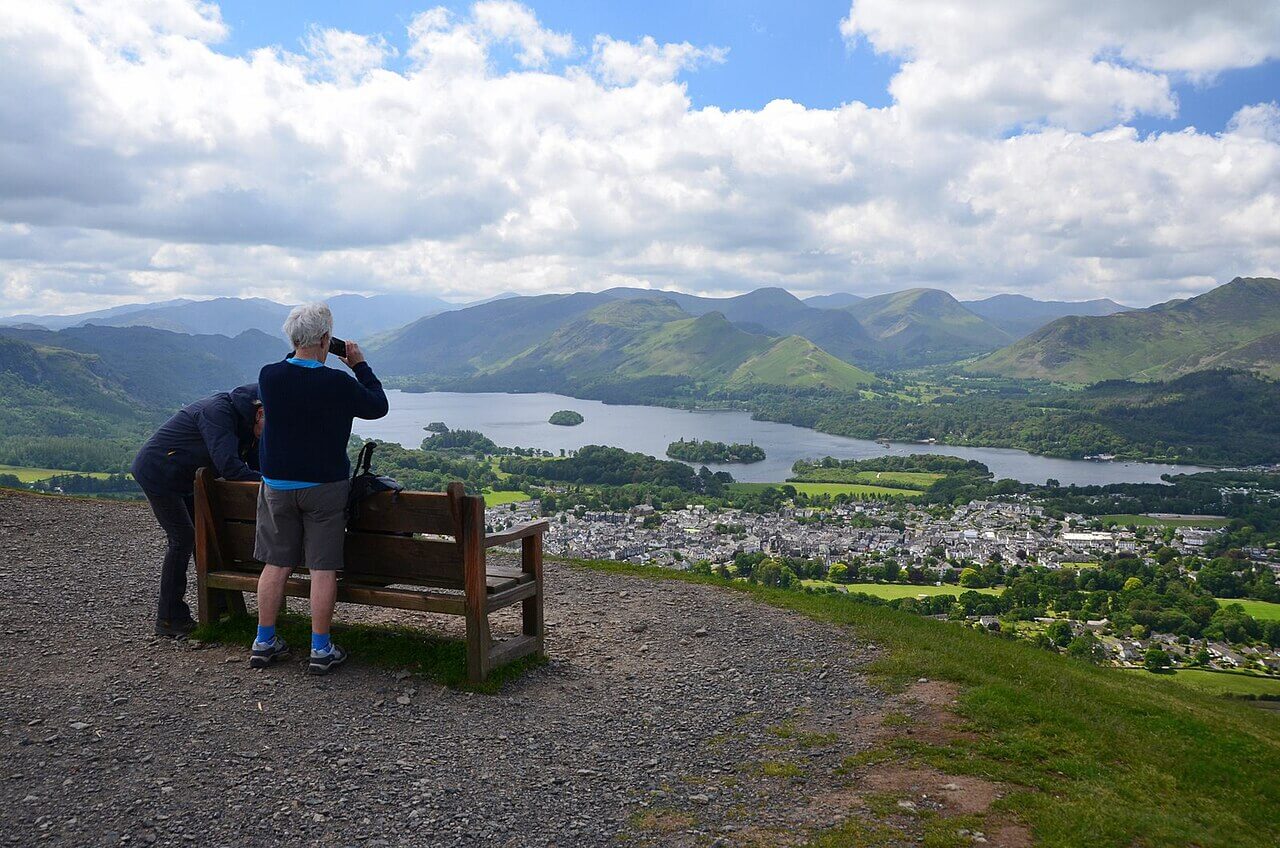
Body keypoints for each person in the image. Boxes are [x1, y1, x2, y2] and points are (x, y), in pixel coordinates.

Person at [249, 302, 388, 675]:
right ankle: (320, 649)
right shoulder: (338, 383)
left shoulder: (269, 377)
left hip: (277, 486)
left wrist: (304, 349)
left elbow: (289, 368)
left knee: (276, 564)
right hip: (325, 488)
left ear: (293, 339)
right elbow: (379, 406)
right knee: (322, 568)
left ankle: (264, 642)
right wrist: (358, 364)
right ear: (326, 338)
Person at [132, 384, 264, 636]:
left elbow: (255, 465)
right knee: (183, 538)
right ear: (260, 413)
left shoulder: (247, 424)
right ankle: (169, 618)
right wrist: (272, 481)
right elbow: (230, 467)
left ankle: (221, 607)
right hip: (158, 471)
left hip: (186, 477)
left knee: (205, 537)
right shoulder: (218, 413)